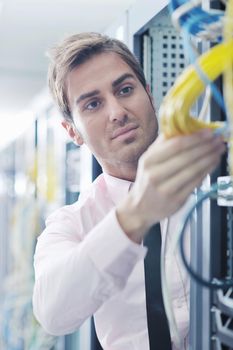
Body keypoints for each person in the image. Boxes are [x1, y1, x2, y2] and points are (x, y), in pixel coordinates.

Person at [32, 32, 225, 350]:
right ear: (72, 131)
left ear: (149, 94)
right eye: (93, 104)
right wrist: (135, 214)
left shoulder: (212, 185)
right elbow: (53, 314)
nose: (117, 111)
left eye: (125, 90)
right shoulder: (72, 223)